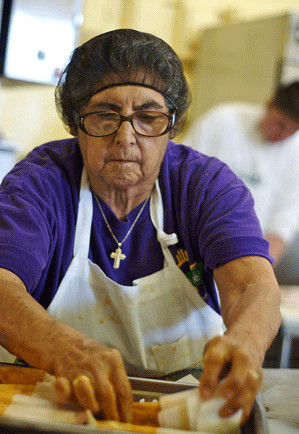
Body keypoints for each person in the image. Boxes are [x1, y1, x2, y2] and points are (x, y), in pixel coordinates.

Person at [0, 29, 280, 425]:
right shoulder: (41, 182)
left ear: (172, 125)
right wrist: (57, 344)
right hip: (56, 402)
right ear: (75, 122)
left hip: (188, 403)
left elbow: (253, 285)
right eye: (105, 115)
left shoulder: (205, 186)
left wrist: (247, 341)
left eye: (148, 118)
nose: (125, 137)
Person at [183, 82, 299, 266]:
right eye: (280, 124)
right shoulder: (221, 121)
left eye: (292, 132)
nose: (282, 135)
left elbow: (282, 224)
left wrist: (260, 271)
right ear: (270, 104)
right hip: (191, 243)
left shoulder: (295, 153)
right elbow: (181, 180)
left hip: (247, 256)